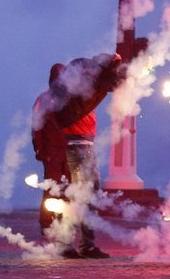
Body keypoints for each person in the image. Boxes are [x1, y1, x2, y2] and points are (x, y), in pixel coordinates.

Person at [48, 53, 126, 260]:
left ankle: (77, 244)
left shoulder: (71, 95)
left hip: (80, 147)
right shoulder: (68, 97)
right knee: (83, 196)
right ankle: (75, 245)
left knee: (80, 195)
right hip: (78, 148)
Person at [31, 63, 68, 235]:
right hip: (53, 149)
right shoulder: (45, 100)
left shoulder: (66, 98)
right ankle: (47, 222)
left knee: (65, 187)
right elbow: (36, 126)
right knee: (53, 186)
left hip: (63, 148)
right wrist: (40, 149)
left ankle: (59, 220)